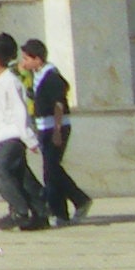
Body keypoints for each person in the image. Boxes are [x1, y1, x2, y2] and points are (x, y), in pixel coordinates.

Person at [0, 32, 49, 231]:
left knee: (1, 174)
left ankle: (20, 211)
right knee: (21, 177)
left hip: (13, 137)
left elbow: (19, 112)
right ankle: (41, 212)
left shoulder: (10, 81)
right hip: (3, 136)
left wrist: (30, 140)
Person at [21, 38, 93, 222]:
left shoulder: (51, 76)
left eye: (27, 59)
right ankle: (68, 208)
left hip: (55, 127)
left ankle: (71, 204)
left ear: (37, 59)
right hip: (44, 127)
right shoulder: (36, 75)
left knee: (51, 171)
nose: (24, 62)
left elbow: (59, 104)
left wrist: (57, 131)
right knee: (53, 171)